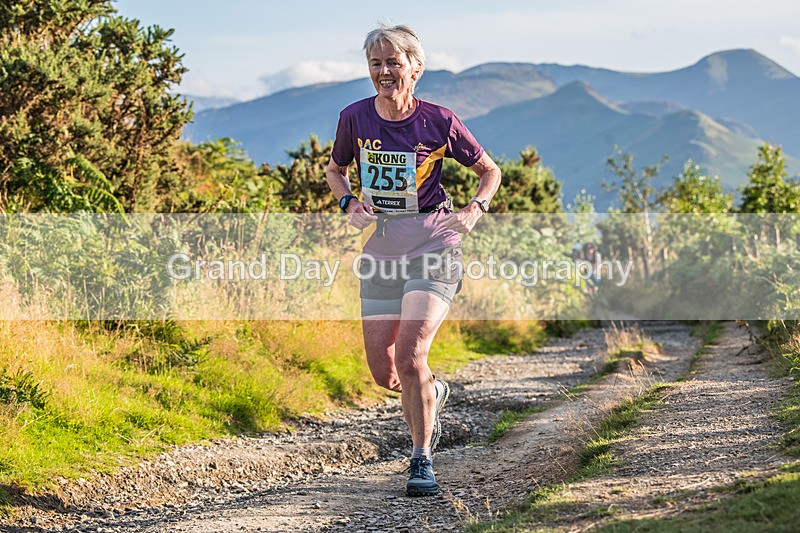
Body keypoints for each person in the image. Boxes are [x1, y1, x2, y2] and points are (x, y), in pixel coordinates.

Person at [325, 24, 501, 497]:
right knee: (386, 373)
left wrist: (474, 209)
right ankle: (432, 392)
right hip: (382, 249)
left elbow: (490, 170)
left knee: (411, 354)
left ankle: (421, 459)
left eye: (394, 62)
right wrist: (348, 203)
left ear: (415, 69)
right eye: (376, 63)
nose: (384, 71)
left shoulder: (440, 120)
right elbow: (335, 170)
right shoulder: (355, 118)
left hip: (434, 246)